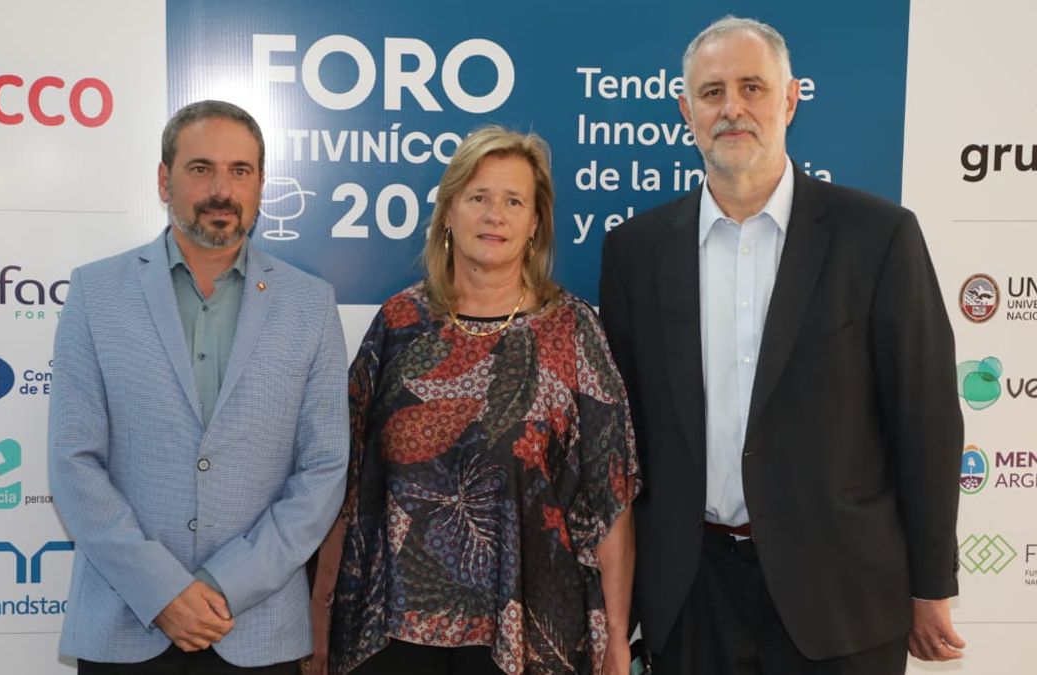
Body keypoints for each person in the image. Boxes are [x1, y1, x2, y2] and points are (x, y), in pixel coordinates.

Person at [598, 16, 965, 675]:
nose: (732, 108)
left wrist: (930, 582)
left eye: (752, 87)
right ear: (686, 110)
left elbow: (927, 420)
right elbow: (622, 440)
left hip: (842, 595)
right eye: (711, 92)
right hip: (689, 594)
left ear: (791, 99)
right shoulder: (634, 252)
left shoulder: (878, 237)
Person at [308, 126, 641, 675]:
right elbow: (346, 488)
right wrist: (320, 617)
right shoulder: (398, 325)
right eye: (478, 197)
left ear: (535, 224)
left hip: (532, 637)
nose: (495, 215)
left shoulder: (573, 331)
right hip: (391, 636)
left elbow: (612, 500)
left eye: (514, 201)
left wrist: (617, 644)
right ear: (448, 214)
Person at [48, 100, 349, 674]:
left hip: (255, 629)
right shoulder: (96, 292)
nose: (221, 189)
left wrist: (222, 585)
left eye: (240, 171)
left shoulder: (310, 304)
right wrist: (163, 591)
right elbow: (73, 460)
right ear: (165, 180)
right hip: (125, 622)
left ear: (261, 185)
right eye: (200, 168)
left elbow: (324, 468)